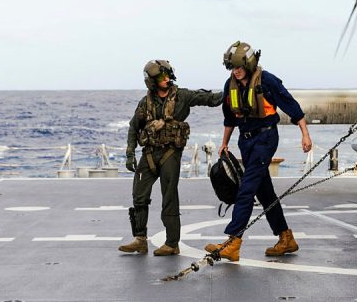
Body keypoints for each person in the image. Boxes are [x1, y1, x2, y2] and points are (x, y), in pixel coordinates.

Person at [204, 41, 312, 262]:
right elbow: (229, 117)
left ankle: (233, 242)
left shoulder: (267, 81)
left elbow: (291, 106)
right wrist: (224, 143)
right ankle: (286, 238)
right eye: (232, 67)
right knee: (264, 193)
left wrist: (305, 134)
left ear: (250, 64)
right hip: (246, 141)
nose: (236, 70)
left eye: (239, 66)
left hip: (265, 138)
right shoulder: (230, 84)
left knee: (246, 189)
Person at [119, 60, 223, 256]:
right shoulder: (145, 102)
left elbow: (209, 99)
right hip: (149, 154)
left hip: (170, 154)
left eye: (167, 76)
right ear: (152, 81)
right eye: (161, 77)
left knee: (169, 197)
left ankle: (172, 243)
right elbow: (134, 127)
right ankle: (140, 239)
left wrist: (230, 90)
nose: (166, 79)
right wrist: (130, 152)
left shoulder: (182, 96)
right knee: (139, 196)